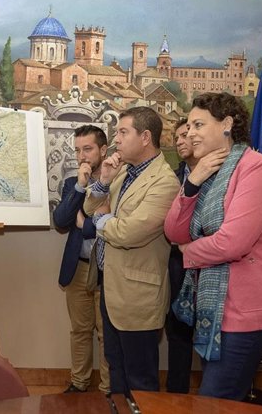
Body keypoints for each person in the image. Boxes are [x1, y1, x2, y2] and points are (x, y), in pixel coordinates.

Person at [164, 92, 262, 401]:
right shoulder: (204, 171)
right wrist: (192, 183)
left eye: (198, 124)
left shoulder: (256, 167)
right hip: (215, 307)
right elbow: (173, 230)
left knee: (217, 400)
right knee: (225, 398)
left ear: (227, 124)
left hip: (249, 309)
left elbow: (233, 243)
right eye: (188, 125)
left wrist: (189, 251)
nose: (190, 132)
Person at [84, 106, 179, 395]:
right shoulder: (122, 170)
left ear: (146, 137)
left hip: (138, 297)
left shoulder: (165, 182)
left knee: (140, 381)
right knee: (116, 373)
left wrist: (103, 219)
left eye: (123, 132)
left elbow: (129, 233)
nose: (116, 139)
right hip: (110, 290)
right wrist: (103, 180)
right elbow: (89, 207)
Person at [53, 125, 110, 394]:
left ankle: (108, 388)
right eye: (77, 150)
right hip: (77, 267)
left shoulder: (116, 181)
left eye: (87, 149)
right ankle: (78, 383)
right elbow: (62, 221)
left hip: (106, 269)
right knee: (80, 330)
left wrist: (84, 221)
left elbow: (102, 224)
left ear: (103, 149)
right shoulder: (70, 184)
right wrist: (79, 186)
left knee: (106, 333)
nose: (82, 156)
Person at [164, 119, 197, 394]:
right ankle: (176, 397)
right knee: (177, 333)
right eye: (177, 137)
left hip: (214, 267)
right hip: (176, 265)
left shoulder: (223, 177)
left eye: (186, 135)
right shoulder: (171, 177)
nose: (180, 141)